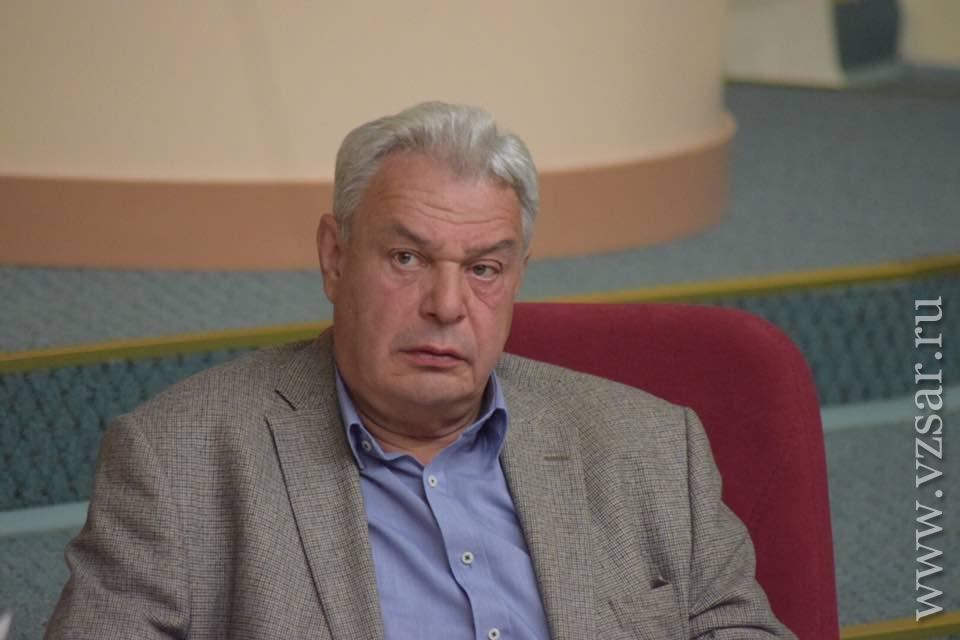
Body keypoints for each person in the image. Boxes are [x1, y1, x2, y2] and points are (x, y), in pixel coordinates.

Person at [47, 102, 795, 639]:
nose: (446, 304)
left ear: (517, 277)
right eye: (406, 258)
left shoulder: (650, 447)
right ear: (335, 258)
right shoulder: (177, 463)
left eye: (484, 268)